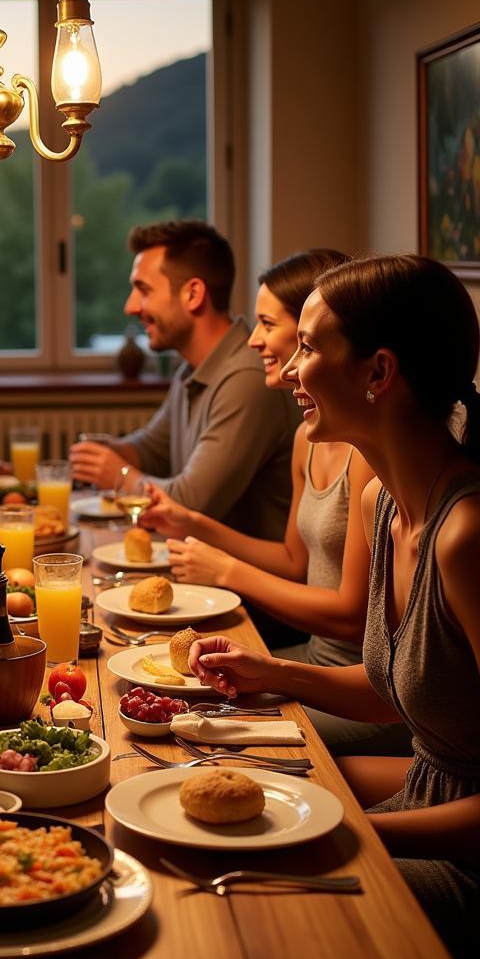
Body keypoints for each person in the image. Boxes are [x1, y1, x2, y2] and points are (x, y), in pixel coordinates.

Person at [187, 254, 480, 959]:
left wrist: (350, 832)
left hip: (474, 865)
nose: (290, 369)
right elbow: (400, 690)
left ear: (377, 373)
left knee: (246, 917)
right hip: (424, 799)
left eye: (308, 346)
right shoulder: (381, 503)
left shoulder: (471, 533)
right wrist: (267, 672)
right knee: (229, 807)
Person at [142, 250, 407, 755]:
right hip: (318, 662)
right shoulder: (311, 436)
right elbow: (294, 561)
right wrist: (191, 522)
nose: (256, 342)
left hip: (350, 680)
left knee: (200, 738)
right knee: (172, 702)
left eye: (270, 325)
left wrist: (226, 571)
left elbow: (352, 618)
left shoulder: (373, 462)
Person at [69, 221, 300, 542]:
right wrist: (106, 452)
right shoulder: (191, 370)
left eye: (144, 289)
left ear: (193, 294)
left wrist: (118, 475)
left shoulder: (247, 377)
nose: (131, 306)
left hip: (243, 588)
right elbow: (152, 450)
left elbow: (190, 506)